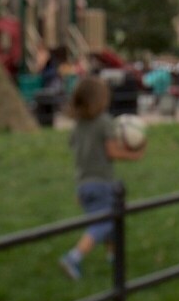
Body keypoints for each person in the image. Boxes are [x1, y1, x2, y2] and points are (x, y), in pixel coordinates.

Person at [57, 78, 144, 280]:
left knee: (109, 220)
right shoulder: (104, 122)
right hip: (101, 183)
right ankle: (73, 257)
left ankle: (113, 256)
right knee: (103, 223)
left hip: (83, 185)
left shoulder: (78, 125)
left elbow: (76, 149)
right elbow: (112, 152)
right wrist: (134, 154)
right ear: (99, 99)